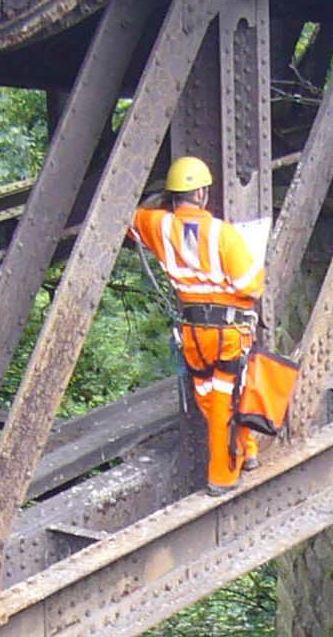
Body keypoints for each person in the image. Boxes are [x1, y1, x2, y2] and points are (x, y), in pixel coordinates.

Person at [130, 156, 264, 496]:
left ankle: (246, 449)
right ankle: (223, 475)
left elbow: (131, 221)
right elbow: (252, 285)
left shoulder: (159, 227)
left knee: (208, 396)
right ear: (202, 193)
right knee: (227, 396)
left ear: (175, 194)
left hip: (193, 333)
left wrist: (162, 203)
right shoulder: (223, 233)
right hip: (227, 333)